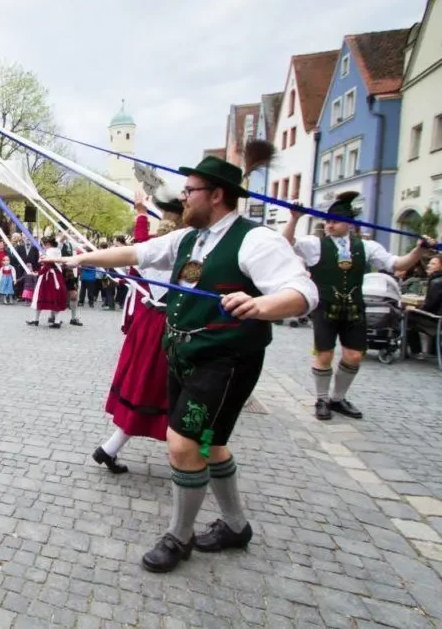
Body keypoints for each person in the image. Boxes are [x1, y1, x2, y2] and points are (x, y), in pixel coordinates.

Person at [61, 155, 317, 573]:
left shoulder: (256, 240)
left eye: (190, 191)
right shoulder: (188, 240)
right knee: (209, 444)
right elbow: (139, 252)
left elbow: (302, 291)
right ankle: (236, 526)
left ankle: (178, 538)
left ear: (216, 195)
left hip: (225, 360)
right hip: (183, 356)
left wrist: (261, 303)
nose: (183, 198)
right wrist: (81, 260)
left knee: (182, 446)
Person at [282, 193, 436, 421]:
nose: (329, 225)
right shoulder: (315, 244)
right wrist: (294, 218)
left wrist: (418, 251)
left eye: (334, 221)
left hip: (354, 308)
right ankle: (322, 399)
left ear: (350, 224)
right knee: (324, 355)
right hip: (325, 307)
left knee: (353, 356)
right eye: (327, 220)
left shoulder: (367, 246)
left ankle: (338, 398)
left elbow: (397, 265)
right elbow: (286, 243)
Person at [92, 189, 185, 474]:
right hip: (166, 326)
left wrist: (141, 211)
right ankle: (193, 458)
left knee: (147, 388)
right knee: (160, 391)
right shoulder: (183, 249)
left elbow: (140, 244)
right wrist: (142, 212)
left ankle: (109, 449)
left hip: (147, 324)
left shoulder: (152, 245)